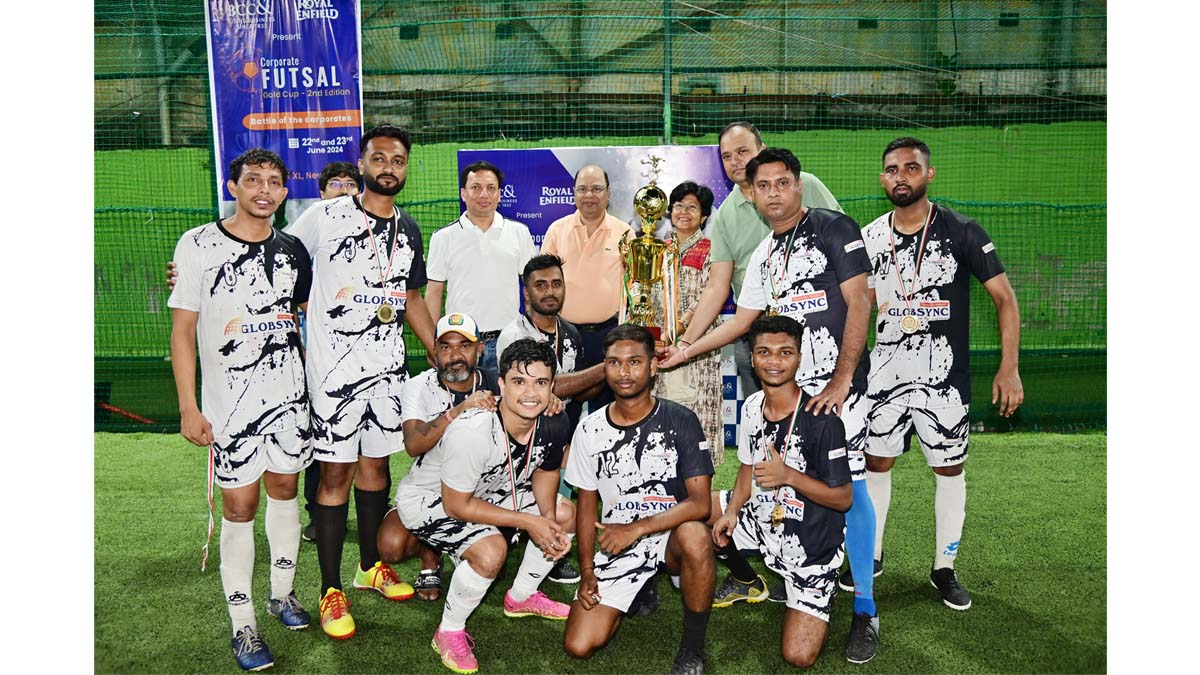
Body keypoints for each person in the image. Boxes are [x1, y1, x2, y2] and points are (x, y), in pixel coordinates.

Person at [659, 147, 881, 663]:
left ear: (798, 186)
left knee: (849, 487)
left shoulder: (833, 228)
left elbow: (860, 301)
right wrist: (684, 350)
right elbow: (740, 321)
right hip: (787, 396)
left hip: (837, 392)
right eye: (765, 186)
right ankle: (791, 571)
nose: (774, 193)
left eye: (784, 183)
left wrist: (843, 380)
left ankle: (866, 609)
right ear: (753, 194)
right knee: (774, 480)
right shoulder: (764, 255)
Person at [285, 124, 440, 640]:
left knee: (376, 467)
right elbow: (274, 249)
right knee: (336, 477)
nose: (388, 166)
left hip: (388, 376)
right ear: (362, 162)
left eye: (398, 159)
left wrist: (437, 350)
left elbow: (412, 298)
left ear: (405, 168)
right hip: (334, 375)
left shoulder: (409, 228)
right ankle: (331, 590)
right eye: (379, 157)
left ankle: (370, 566)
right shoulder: (328, 215)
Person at [856, 137, 1023, 613]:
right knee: (876, 465)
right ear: (882, 178)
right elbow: (858, 310)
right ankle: (871, 557)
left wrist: (1008, 368)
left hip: (943, 379)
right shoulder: (869, 238)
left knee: (948, 469)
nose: (900, 176)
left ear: (930, 174)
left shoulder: (963, 231)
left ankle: (944, 567)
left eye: (911, 168)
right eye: (891, 169)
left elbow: (1005, 299)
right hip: (885, 377)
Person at [168, 148, 313, 671]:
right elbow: (183, 331)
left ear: (282, 191)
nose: (264, 189)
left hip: (289, 404)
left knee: (284, 490)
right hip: (230, 410)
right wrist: (188, 405)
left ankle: (281, 593)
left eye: (274, 181)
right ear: (234, 186)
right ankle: (243, 623)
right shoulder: (198, 245)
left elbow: (297, 318)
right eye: (253, 179)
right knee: (239, 508)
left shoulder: (294, 250)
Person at [380, 339, 576, 674]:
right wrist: (528, 524)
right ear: (500, 384)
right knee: (490, 552)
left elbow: (545, 471)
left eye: (540, 382)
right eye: (518, 382)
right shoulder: (474, 429)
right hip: (432, 499)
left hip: (493, 490)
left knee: (564, 514)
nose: (530, 393)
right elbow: (457, 505)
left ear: (551, 387)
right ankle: (449, 630)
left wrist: (545, 520)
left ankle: (522, 596)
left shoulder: (554, 419)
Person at [563, 324, 716, 675]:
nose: (624, 372)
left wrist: (636, 529)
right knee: (579, 645)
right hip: (620, 540)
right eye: (614, 363)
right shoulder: (589, 428)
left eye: (634, 362)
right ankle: (638, 586)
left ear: (652, 366)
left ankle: (692, 648)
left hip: (670, 532)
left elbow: (699, 504)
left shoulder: (682, 420)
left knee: (696, 535)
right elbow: (586, 504)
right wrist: (587, 571)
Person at [711, 315, 853, 668]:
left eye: (784, 352)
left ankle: (818, 588)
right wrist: (731, 512)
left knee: (798, 656)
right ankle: (747, 579)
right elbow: (746, 469)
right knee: (696, 512)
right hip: (762, 517)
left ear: (799, 358)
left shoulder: (822, 419)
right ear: (752, 357)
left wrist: (788, 475)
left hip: (809, 543)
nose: (774, 361)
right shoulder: (750, 407)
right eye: (764, 352)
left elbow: (843, 498)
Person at [678, 122, 842, 400]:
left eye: (743, 151)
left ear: (761, 150)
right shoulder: (725, 215)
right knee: (767, 422)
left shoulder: (807, 185)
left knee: (826, 421)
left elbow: (844, 252)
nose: (735, 161)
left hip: (820, 326)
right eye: (727, 156)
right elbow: (717, 288)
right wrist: (685, 343)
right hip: (757, 331)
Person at [496, 254, 609, 585]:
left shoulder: (570, 332)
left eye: (556, 284)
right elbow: (548, 388)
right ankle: (508, 539)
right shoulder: (515, 334)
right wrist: (605, 367)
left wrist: (614, 372)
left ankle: (552, 555)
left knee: (562, 500)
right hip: (521, 441)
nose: (549, 291)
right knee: (525, 502)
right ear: (526, 293)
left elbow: (581, 392)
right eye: (540, 285)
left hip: (562, 436)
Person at [426, 160, 537, 372]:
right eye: (475, 188)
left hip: (509, 341)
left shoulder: (519, 233)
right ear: (463, 193)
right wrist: (433, 342)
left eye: (491, 188)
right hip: (460, 343)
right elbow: (433, 292)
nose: (483, 194)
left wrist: (533, 333)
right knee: (463, 404)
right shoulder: (443, 237)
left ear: (500, 194)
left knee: (508, 404)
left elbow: (531, 287)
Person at [540, 165, 633, 411]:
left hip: (609, 334)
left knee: (607, 412)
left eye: (596, 189)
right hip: (565, 336)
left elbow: (636, 287)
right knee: (562, 411)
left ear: (609, 193)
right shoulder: (557, 230)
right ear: (573, 193)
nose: (589, 195)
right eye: (582, 189)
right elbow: (541, 283)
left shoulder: (625, 233)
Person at [652, 181, 724, 467]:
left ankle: (698, 489)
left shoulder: (713, 249)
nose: (684, 212)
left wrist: (679, 327)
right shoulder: (656, 250)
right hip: (659, 345)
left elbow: (712, 293)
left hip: (697, 346)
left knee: (695, 415)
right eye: (679, 206)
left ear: (704, 216)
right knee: (661, 409)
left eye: (692, 207)